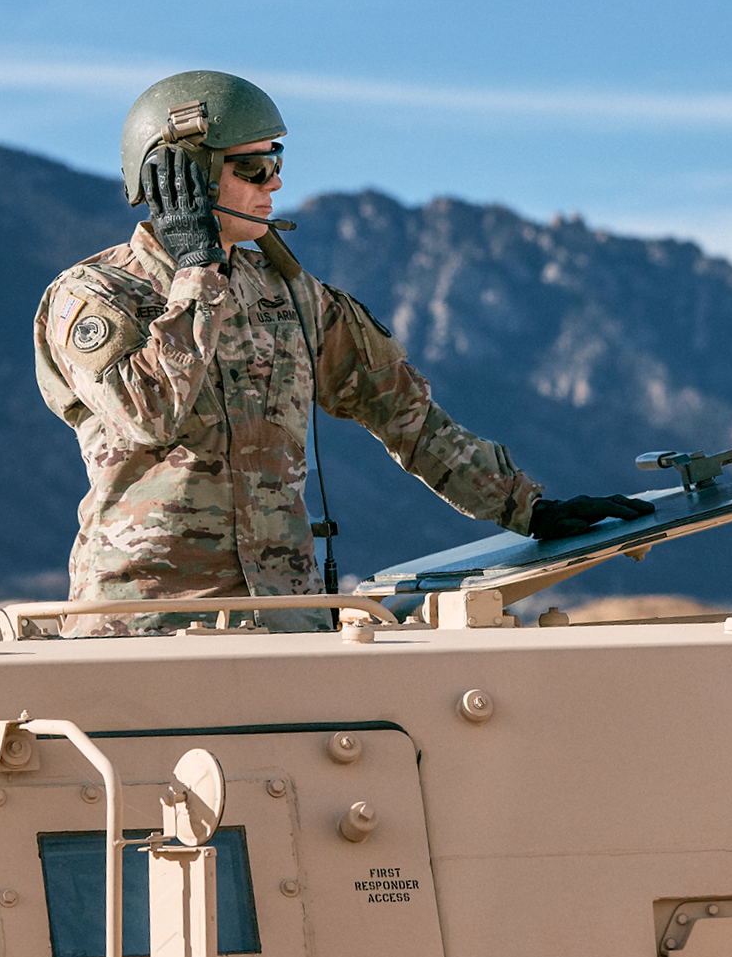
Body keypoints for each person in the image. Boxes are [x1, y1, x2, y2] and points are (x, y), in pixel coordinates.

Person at [34, 71, 652, 634]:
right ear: (184, 176)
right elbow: (148, 413)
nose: (274, 181)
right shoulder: (96, 297)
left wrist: (528, 507)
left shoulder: (293, 296)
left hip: (283, 625)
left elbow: (406, 416)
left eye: (276, 160)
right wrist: (197, 268)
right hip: (142, 627)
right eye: (252, 167)